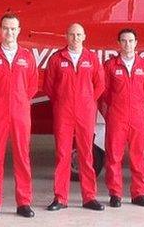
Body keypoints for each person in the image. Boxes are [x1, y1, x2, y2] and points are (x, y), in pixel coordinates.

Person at [0, 13, 38, 218]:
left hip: (20, 113)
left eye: (13, 29)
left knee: (22, 157)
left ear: (19, 30)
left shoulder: (27, 57)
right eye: (5, 28)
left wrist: (18, 101)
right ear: (0, 30)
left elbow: (32, 86)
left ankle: (24, 202)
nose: (9, 32)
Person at [43, 23, 105, 211]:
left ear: (84, 36)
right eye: (72, 34)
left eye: (79, 34)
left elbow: (99, 85)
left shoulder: (92, 59)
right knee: (63, 155)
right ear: (66, 36)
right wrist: (64, 100)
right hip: (64, 112)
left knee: (86, 154)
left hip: (86, 112)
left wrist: (86, 100)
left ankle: (89, 197)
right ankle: (60, 198)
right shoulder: (56, 59)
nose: (75, 38)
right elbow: (49, 86)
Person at [102, 29, 144, 208]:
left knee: (138, 155)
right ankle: (115, 193)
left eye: (130, 41)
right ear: (118, 44)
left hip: (138, 115)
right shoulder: (110, 65)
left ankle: (138, 193)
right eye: (123, 41)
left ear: (136, 43)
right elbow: (105, 91)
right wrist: (118, 104)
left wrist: (136, 104)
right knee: (114, 155)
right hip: (117, 114)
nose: (127, 44)